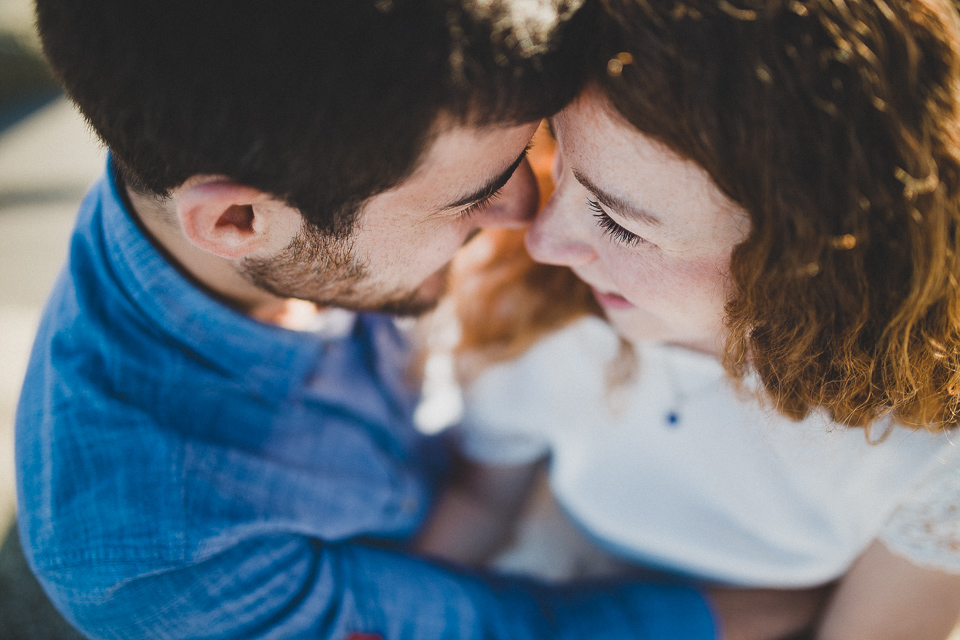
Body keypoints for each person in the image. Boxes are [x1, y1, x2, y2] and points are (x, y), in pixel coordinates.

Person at [13, 0, 823, 638]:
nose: (529, 215)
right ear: (236, 223)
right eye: (476, 196)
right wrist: (799, 610)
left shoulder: (260, 138)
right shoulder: (158, 555)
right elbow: (493, 631)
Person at [417, 0, 960, 638]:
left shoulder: (930, 451)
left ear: (817, 262)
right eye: (561, 158)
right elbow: (481, 502)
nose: (541, 240)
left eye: (619, 223)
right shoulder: (539, 305)